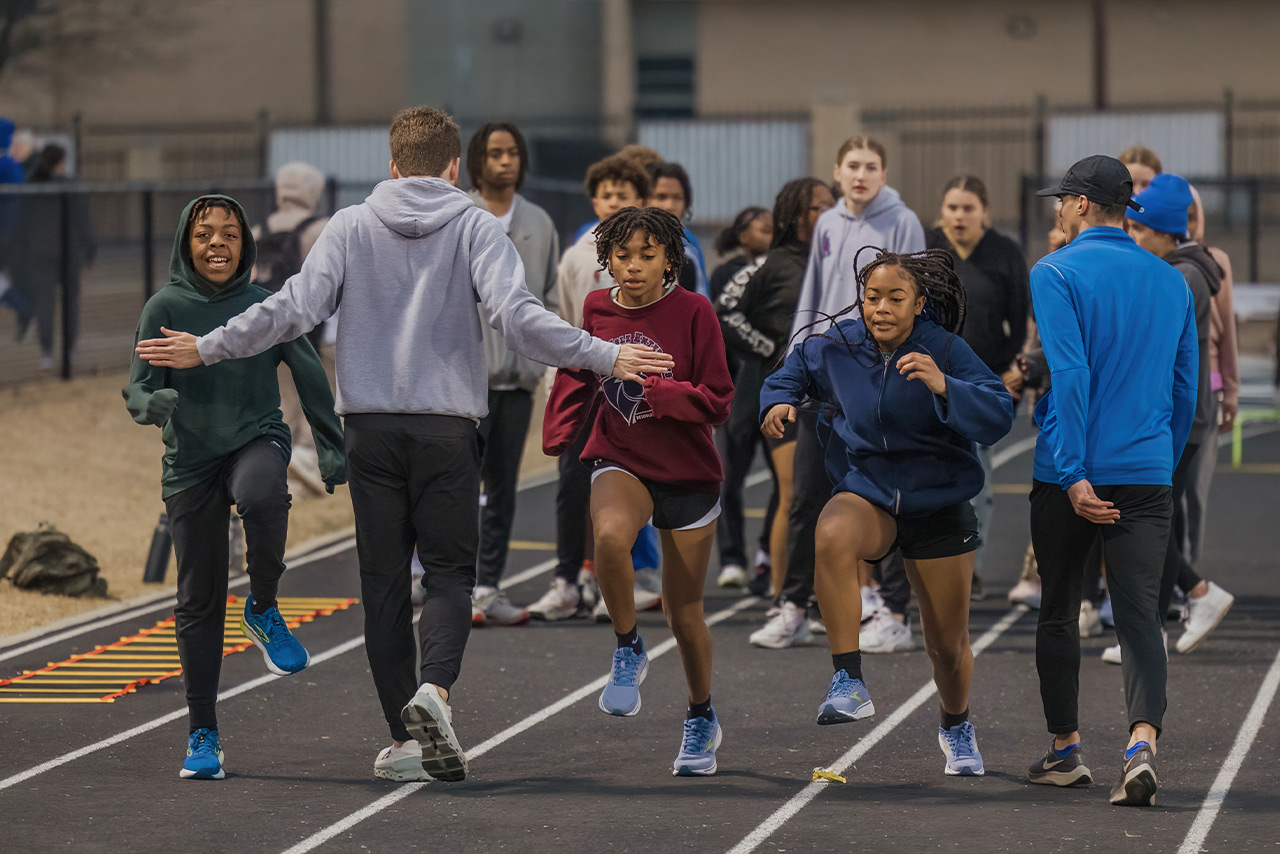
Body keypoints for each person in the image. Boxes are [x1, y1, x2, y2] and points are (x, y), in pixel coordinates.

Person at [135, 106, 672, 784]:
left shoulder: (350, 225)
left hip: (371, 429)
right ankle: (435, 693)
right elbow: (518, 318)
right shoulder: (477, 225)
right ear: (456, 167)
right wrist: (603, 355)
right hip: (447, 427)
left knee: (384, 585)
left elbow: (292, 308)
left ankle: (404, 733)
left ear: (391, 166)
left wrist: (207, 346)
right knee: (449, 574)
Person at [761, 247, 1013, 777]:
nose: (880, 308)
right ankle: (848, 678)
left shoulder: (945, 348)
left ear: (918, 303)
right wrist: (777, 401)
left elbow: (997, 413)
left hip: (938, 499)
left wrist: (946, 386)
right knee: (831, 532)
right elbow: (791, 370)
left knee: (946, 647)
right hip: (870, 492)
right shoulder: (837, 346)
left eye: (895, 298)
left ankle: (956, 724)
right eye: (871, 297)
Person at [124, 194, 346, 781]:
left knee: (262, 495)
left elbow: (306, 371)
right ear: (185, 243)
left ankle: (264, 606)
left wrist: (329, 444)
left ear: (245, 244)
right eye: (204, 234)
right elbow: (137, 388)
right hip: (191, 460)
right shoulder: (163, 307)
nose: (217, 243)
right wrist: (155, 403)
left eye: (229, 234)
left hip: (257, 437)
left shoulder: (263, 304)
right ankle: (203, 733)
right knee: (197, 600)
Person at [1026, 155, 1197, 807]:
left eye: (1061, 199)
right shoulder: (1170, 281)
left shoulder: (1056, 270)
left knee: (1059, 613)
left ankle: (1066, 751)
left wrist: (1071, 475)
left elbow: (1069, 375)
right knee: (1139, 618)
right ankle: (1140, 743)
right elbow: (1185, 391)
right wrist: (1161, 459)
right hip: (1147, 470)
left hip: (1070, 473)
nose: (1057, 208)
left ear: (1077, 203)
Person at [543, 205, 734, 776]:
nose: (632, 266)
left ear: (669, 258)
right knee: (608, 536)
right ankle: (627, 647)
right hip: (620, 456)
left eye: (647, 256)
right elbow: (580, 366)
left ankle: (701, 715)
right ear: (607, 258)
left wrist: (662, 393)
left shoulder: (695, 311)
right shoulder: (596, 306)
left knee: (685, 615)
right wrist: (562, 422)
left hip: (688, 469)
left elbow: (718, 399)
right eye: (623, 255)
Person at [751, 135, 924, 653]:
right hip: (826, 379)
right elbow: (812, 301)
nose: (861, 174)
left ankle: (895, 612)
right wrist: (795, 365)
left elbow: (917, 299)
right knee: (806, 495)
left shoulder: (903, 221)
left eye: (871, 166)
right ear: (838, 171)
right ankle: (793, 607)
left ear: (884, 174)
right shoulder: (827, 224)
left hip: (878, 380)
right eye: (852, 165)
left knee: (886, 494)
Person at [528, 154, 656, 623]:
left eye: (624, 195)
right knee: (571, 484)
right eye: (607, 195)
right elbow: (561, 324)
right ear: (594, 200)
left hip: (636, 391)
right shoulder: (576, 257)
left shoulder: (663, 258)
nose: (614, 202)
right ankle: (567, 579)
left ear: (640, 200)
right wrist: (554, 382)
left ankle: (627, 577)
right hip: (584, 391)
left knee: (631, 484)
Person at [1123, 174, 1235, 660]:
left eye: (1138, 230)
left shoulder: (1182, 276)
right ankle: (1159, 628)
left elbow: (1156, 346)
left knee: (1149, 518)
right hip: (1176, 414)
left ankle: (1196, 595)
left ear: (1166, 231)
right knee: (1154, 517)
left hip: (1178, 418)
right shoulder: (1180, 268)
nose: (1132, 237)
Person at [717, 178, 835, 603]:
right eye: (817, 207)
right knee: (794, 494)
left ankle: (833, 595)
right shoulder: (771, 265)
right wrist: (770, 349)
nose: (828, 212)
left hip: (837, 398)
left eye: (830, 205)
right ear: (794, 215)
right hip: (790, 398)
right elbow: (725, 312)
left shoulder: (839, 258)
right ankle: (783, 595)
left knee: (839, 497)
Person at [465, 121, 561, 627]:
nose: (506, 161)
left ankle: (487, 587)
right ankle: (445, 582)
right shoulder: (457, 215)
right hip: (463, 383)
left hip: (517, 381)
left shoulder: (540, 222)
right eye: (496, 153)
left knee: (503, 490)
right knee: (455, 486)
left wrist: (542, 365)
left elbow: (544, 298)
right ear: (476, 160)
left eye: (513, 153)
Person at [926, 175, 1029, 601]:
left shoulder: (1004, 253)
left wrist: (1006, 372)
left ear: (984, 211)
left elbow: (1019, 321)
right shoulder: (929, 248)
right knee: (929, 478)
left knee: (978, 485)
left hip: (982, 384)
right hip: (931, 380)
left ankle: (971, 569)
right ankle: (929, 566)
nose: (959, 216)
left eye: (968, 208)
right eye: (952, 207)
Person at [250, 161, 331, 495]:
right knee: (318, 394)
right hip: (312, 330)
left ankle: (276, 461)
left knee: (281, 399)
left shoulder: (257, 230)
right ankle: (308, 461)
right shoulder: (322, 228)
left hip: (269, 329)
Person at [709, 204, 775, 590]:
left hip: (773, 389)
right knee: (727, 479)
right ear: (742, 234)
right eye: (762, 229)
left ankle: (768, 553)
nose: (769, 234)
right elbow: (726, 328)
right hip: (735, 391)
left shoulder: (782, 272)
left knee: (785, 482)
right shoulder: (726, 274)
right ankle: (732, 557)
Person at [12, 144, 96, 370]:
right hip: (69, 253)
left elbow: (21, 224)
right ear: (61, 161)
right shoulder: (71, 186)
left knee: (44, 304)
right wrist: (89, 250)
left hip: (40, 254)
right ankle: (70, 349)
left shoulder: (31, 186)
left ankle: (47, 352)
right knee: (70, 304)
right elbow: (83, 221)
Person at [645, 160, 709, 299]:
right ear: (643, 200)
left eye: (677, 198)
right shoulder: (626, 243)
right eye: (661, 197)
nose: (670, 205)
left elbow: (702, 295)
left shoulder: (689, 243)